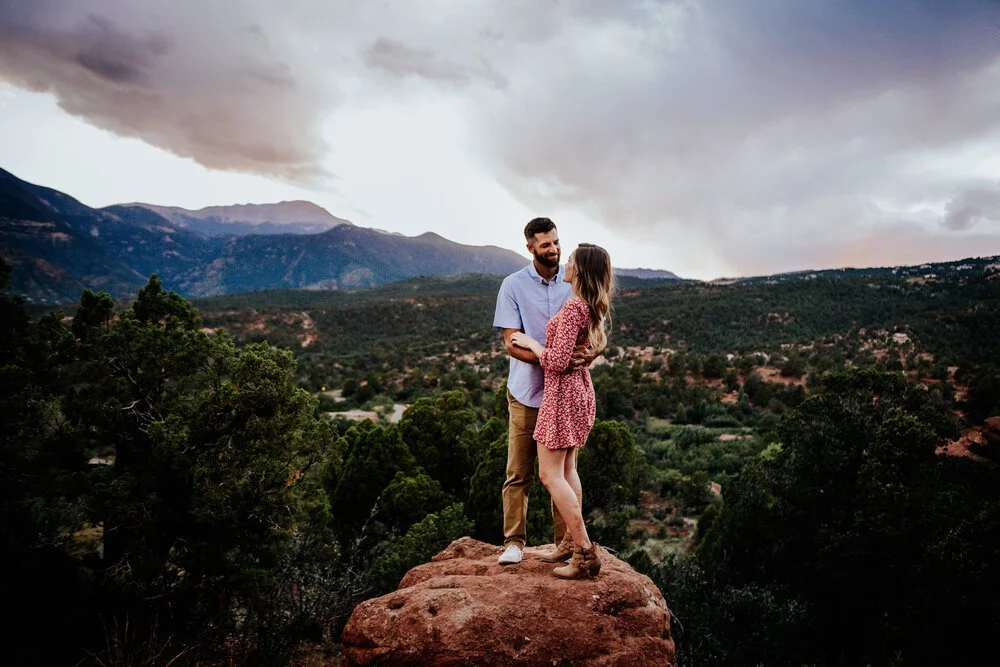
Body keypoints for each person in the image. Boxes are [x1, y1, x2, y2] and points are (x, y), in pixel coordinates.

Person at [493, 218, 601, 566]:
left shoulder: (574, 290)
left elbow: (589, 333)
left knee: (560, 474)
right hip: (528, 391)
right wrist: (556, 360)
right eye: (546, 245)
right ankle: (514, 542)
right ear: (530, 248)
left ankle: (568, 542)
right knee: (520, 471)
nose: (554, 250)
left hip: (563, 395)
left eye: (557, 243)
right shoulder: (513, 286)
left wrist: (585, 355)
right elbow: (511, 342)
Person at [510, 243, 613, 579]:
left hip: (562, 396)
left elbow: (555, 362)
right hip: (579, 392)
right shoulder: (588, 307)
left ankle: (584, 552)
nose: (565, 262)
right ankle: (570, 542)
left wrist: (531, 342)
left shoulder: (572, 310)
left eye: (570, 260)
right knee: (568, 469)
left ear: (579, 270)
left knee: (549, 474)